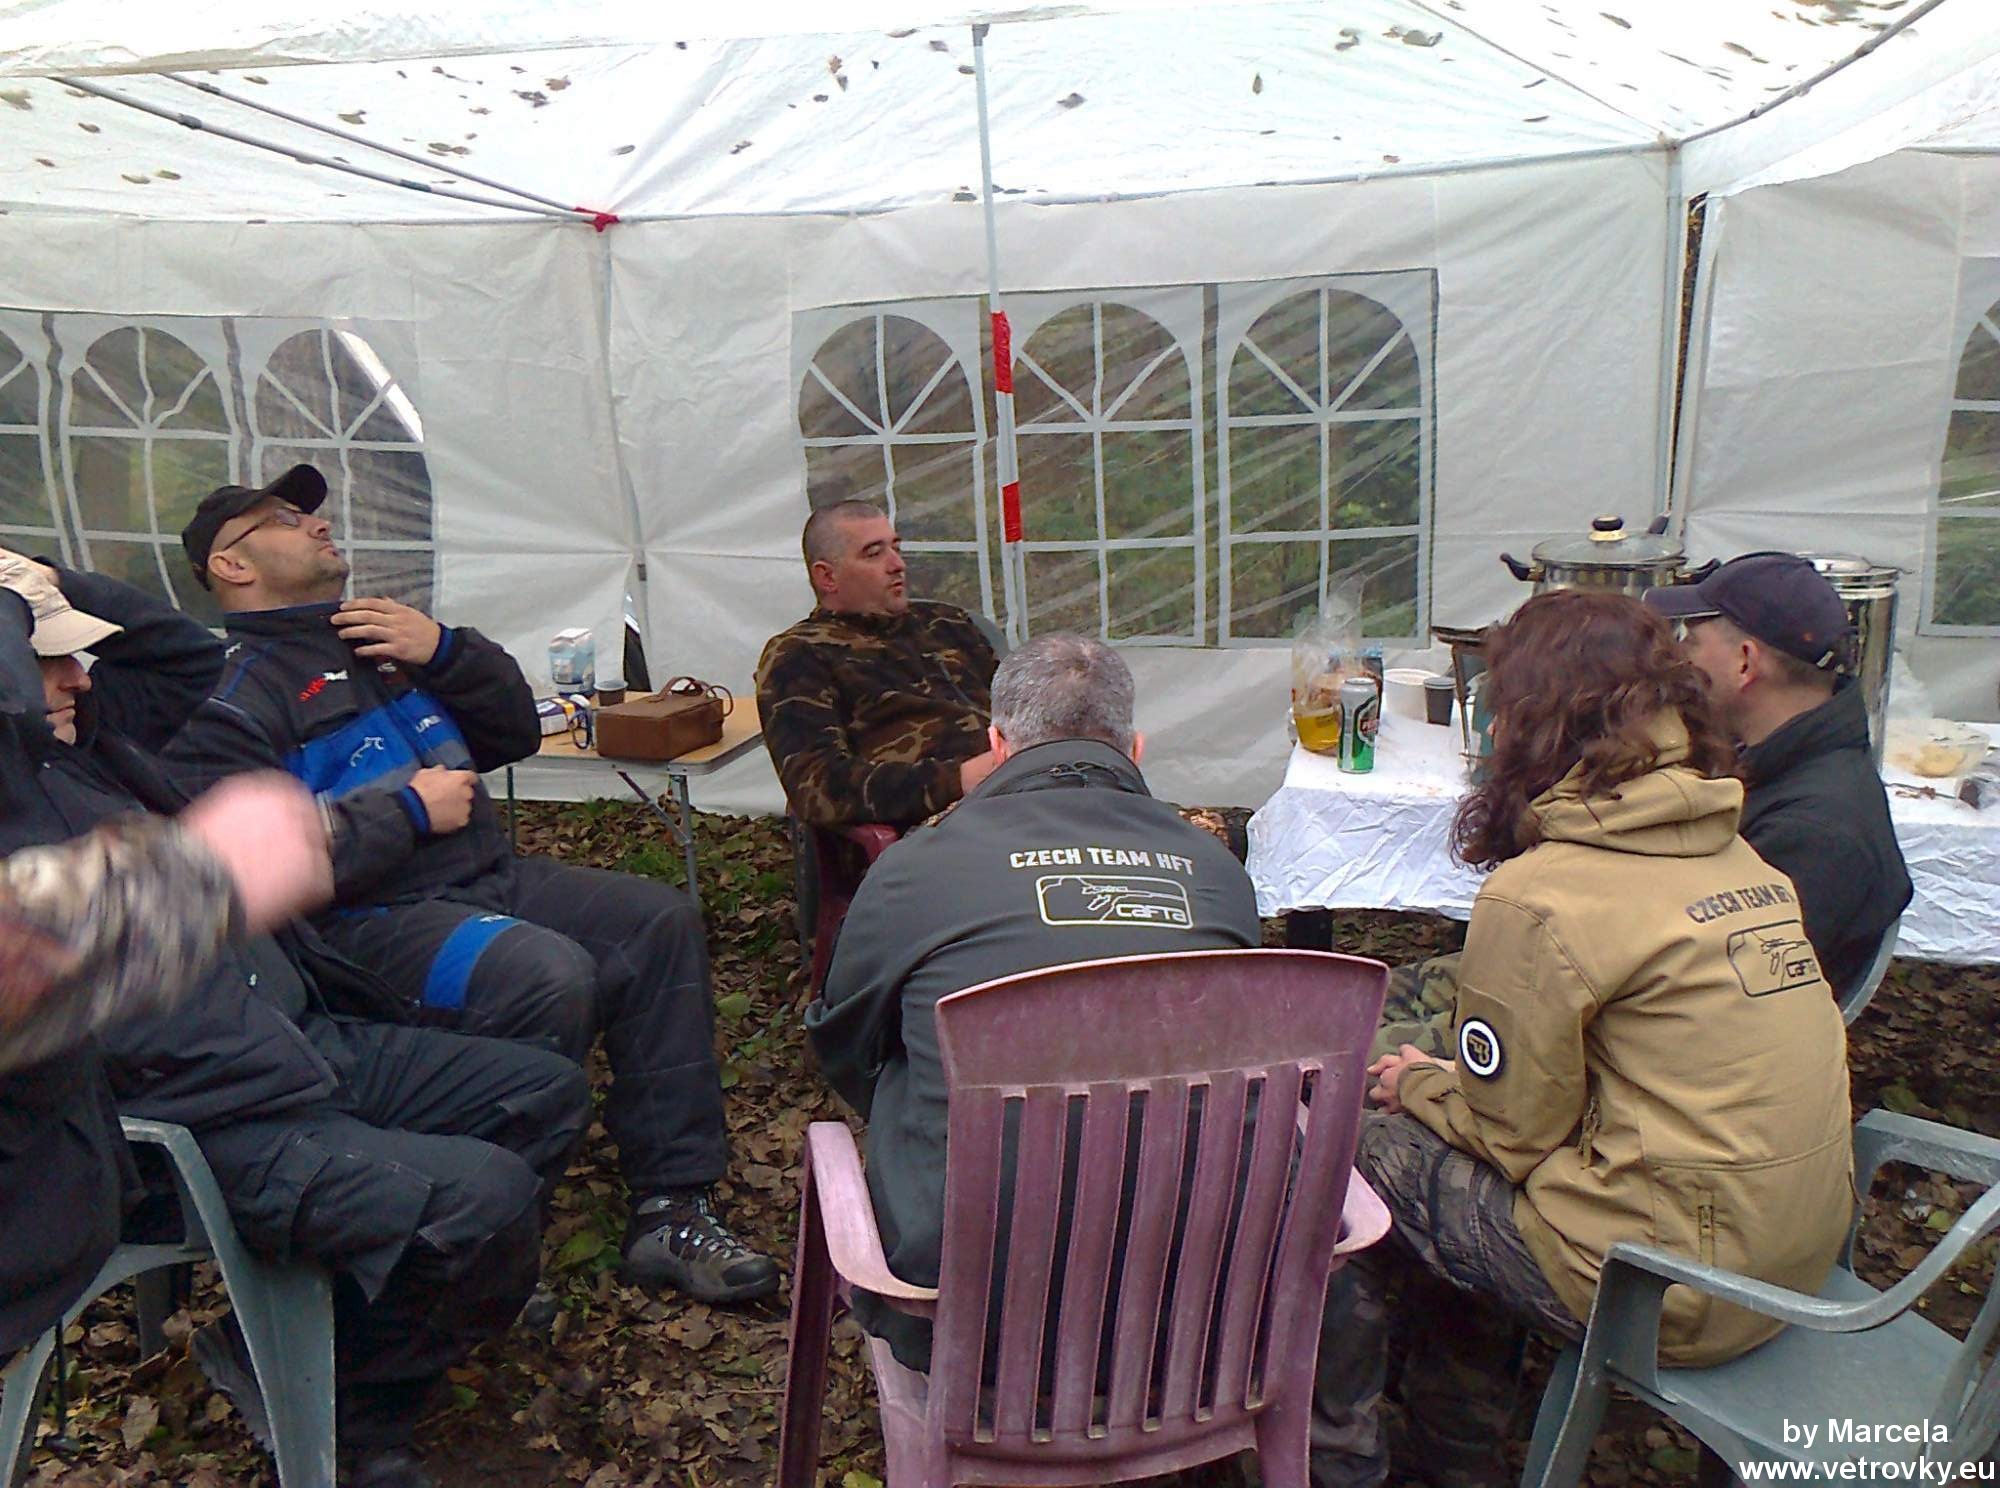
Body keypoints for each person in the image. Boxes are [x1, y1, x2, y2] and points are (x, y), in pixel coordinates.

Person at [4, 552, 590, 1488]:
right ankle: (351, 1419)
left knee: (543, 1093)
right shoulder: (13, 799)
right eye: (47, 662)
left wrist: (42, 575)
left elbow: (186, 658)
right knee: (485, 1201)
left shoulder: (84, 746)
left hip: (291, 1044)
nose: (79, 678)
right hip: (198, 1118)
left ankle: (309, 1336)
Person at [167, 466, 777, 1305]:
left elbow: (512, 732)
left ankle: (672, 1205)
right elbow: (244, 870)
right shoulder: (228, 699)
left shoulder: (378, 640)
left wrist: (447, 652)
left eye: (311, 512)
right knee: (544, 974)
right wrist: (405, 816)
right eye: (283, 519)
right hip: (364, 924)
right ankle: (487, 1238)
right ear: (231, 565)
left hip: (487, 878)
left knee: (655, 920)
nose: (316, 524)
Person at [1310, 590, 1854, 1488]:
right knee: (1457, 1188)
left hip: (1670, 1293)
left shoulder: (1543, 895)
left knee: (1355, 1148)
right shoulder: (1739, 856)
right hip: (1790, 1270)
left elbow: (1509, 1137)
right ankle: (1454, 1443)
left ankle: (1345, 1457)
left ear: (1528, 724)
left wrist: (1418, 1082)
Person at [806, 632, 1260, 1370]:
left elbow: (845, 1047)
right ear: (1135, 749)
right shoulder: (1219, 874)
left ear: (996, 744)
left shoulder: (914, 871)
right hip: (1201, 1311)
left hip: (963, 1318)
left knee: (903, 1061)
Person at [1643, 551, 1912, 996]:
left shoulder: (1814, 832)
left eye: (1691, 640)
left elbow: (1715, 986)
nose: (1679, 658)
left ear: (1745, 663)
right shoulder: (1782, 760)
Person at [757, 500, 1000, 829]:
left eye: (896, 548)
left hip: (1021, 791)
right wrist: (958, 778)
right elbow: (817, 786)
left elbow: (1016, 711)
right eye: (874, 553)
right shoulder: (800, 654)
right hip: (936, 828)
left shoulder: (947, 623)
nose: (897, 564)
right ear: (827, 577)